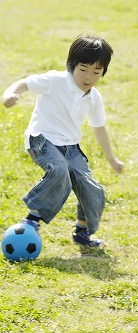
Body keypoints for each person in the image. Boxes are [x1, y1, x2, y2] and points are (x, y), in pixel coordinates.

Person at [2, 33, 124, 248]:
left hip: (70, 146)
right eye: (83, 69)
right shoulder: (55, 81)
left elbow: (99, 129)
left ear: (103, 72)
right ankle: (32, 218)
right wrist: (9, 94)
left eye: (96, 72)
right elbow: (25, 83)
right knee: (59, 171)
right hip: (42, 139)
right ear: (72, 65)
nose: (88, 77)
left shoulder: (94, 97)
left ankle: (82, 232)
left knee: (92, 188)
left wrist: (112, 159)